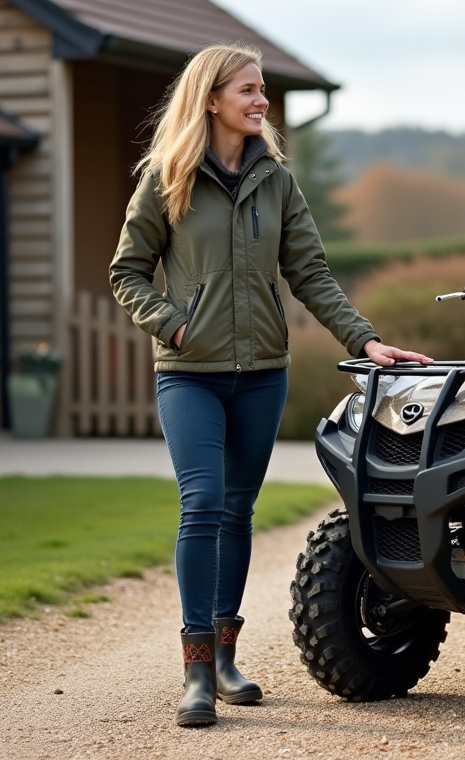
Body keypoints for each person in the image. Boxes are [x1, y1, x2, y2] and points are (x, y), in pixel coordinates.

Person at [109, 43, 431, 728]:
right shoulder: (166, 178)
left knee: (237, 512)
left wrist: (365, 340)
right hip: (188, 374)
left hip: (261, 374)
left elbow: (310, 273)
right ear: (211, 99)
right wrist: (171, 326)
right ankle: (195, 673)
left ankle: (225, 660)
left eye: (263, 91)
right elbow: (127, 272)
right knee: (202, 503)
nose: (261, 101)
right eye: (249, 90)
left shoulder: (276, 182)